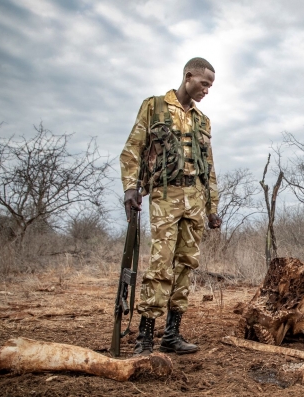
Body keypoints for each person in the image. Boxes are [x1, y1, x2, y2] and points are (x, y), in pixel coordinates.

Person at [119, 57, 222, 356]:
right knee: (160, 265)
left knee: (186, 265)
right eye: (204, 83)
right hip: (166, 196)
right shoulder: (154, 107)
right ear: (189, 77)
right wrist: (130, 188)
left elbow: (209, 167)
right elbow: (132, 150)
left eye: (210, 86)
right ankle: (145, 338)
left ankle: (172, 335)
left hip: (196, 199)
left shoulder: (203, 120)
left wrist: (212, 206)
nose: (207, 90)